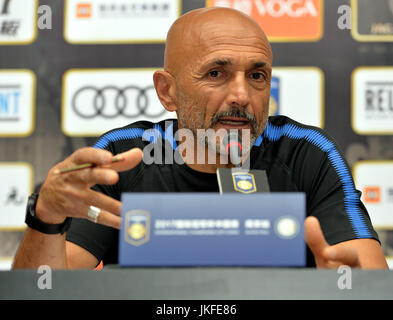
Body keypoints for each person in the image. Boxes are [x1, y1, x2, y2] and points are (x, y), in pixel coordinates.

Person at [13, 7, 388, 269]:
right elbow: (48, 288)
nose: (242, 96)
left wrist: (343, 285)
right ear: (167, 91)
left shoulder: (309, 154)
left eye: (257, 76)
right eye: (216, 74)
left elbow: (363, 272)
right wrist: (46, 215)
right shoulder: (122, 156)